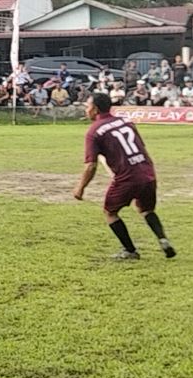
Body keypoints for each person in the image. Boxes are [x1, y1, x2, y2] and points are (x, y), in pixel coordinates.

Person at [73, 92, 176, 260]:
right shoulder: (125, 121)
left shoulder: (94, 132)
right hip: (146, 172)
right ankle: (163, 240)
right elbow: (142, 147)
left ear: (95, 109)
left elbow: (91, 165)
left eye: (87, 106)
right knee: (146, 209)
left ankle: (130, 250)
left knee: (110, 212)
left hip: (127, 178)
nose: (86, 110)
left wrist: (80, 188)